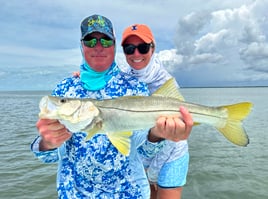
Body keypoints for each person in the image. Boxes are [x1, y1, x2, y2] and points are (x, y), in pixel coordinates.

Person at [31, 14, 193, 199]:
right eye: (90, 41)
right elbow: (48, 157)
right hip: (75, 193)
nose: (98, 47)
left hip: (129, 193)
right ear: (81, 45)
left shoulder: (135, 87)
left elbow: (144, 152)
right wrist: (47, 143)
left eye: (105, 40)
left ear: (114, 45)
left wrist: (157, 135)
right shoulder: (65, 89)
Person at [121, 24, 190, 199]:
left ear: (153, 48)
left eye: (142, 48)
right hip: (141, 151)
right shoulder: (121, 78)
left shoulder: (166, 81)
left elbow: (177, 131)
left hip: (172, 152)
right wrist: (82, 77)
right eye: (129, 49)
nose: (136, 54)